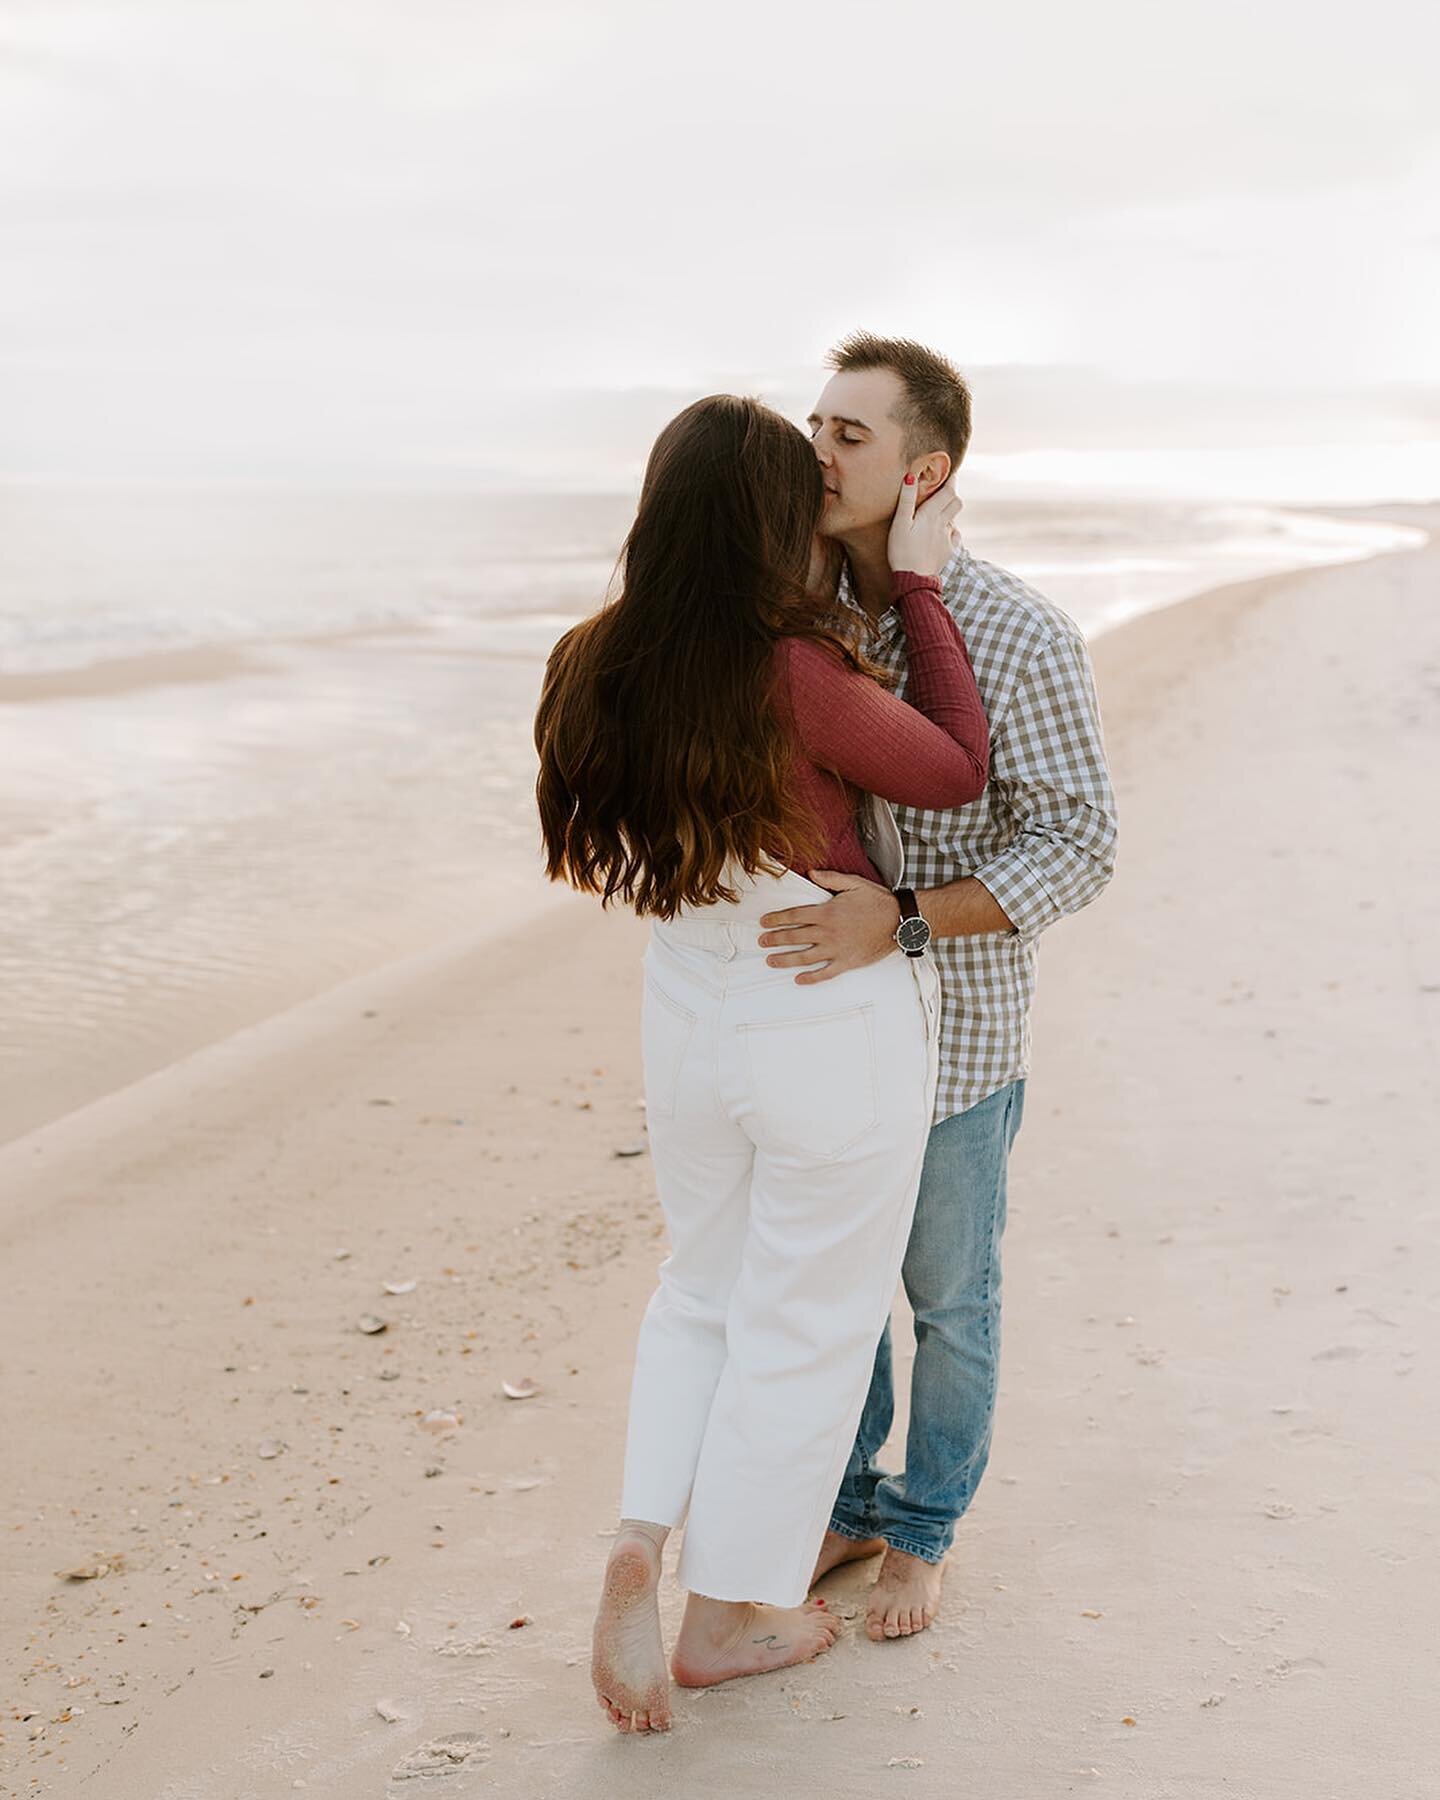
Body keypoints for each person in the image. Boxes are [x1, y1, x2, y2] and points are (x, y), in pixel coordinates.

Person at [533, 392, 990, 1732]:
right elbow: (953, 772)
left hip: (686, 1006)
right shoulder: (788, 671)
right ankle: (732, 1610)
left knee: (702, 1293)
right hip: (819, 1010)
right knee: (810, 1317)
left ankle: (641, 1533)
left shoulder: (591, 659)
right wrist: (917, 585)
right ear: (765, 518)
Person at [756, 332, 1119, 1643]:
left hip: (958, 1035)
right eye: (813, 428)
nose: (819, 454)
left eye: (848, 436)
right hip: (821, 1033)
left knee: (948, 1302)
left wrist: (900, 923)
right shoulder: (802, 621)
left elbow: (1080, 844)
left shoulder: (1016, 631)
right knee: (834, 1290)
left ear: (928, 470)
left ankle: (924, 1529)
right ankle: (848, 1504)